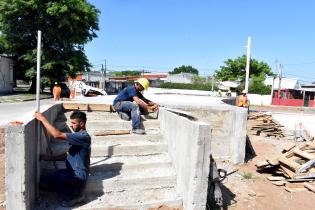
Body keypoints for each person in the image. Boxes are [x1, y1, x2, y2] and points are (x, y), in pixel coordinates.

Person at [34, 111, 91, 207]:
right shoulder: (80, 136)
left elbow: (57, 135)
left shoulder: (82, 137)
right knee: (46, 179)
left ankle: (74, 195)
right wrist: (49, 158)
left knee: (50, 180)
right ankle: (73, 190)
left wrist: (42, 119)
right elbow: (67, 154)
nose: (71, 126)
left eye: (73, 123)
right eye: (71, 123)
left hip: (78, 176)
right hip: (72, 173)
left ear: (82, 123)